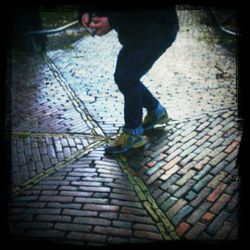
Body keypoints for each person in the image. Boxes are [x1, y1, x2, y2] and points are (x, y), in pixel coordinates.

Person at [78, 5, 179, 154]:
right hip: (135, 32)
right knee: (124, 77)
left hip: (158, 29)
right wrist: (85, 12)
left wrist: (112, 21)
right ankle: (157, 112)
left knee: (126, 77)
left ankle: (133, 133)